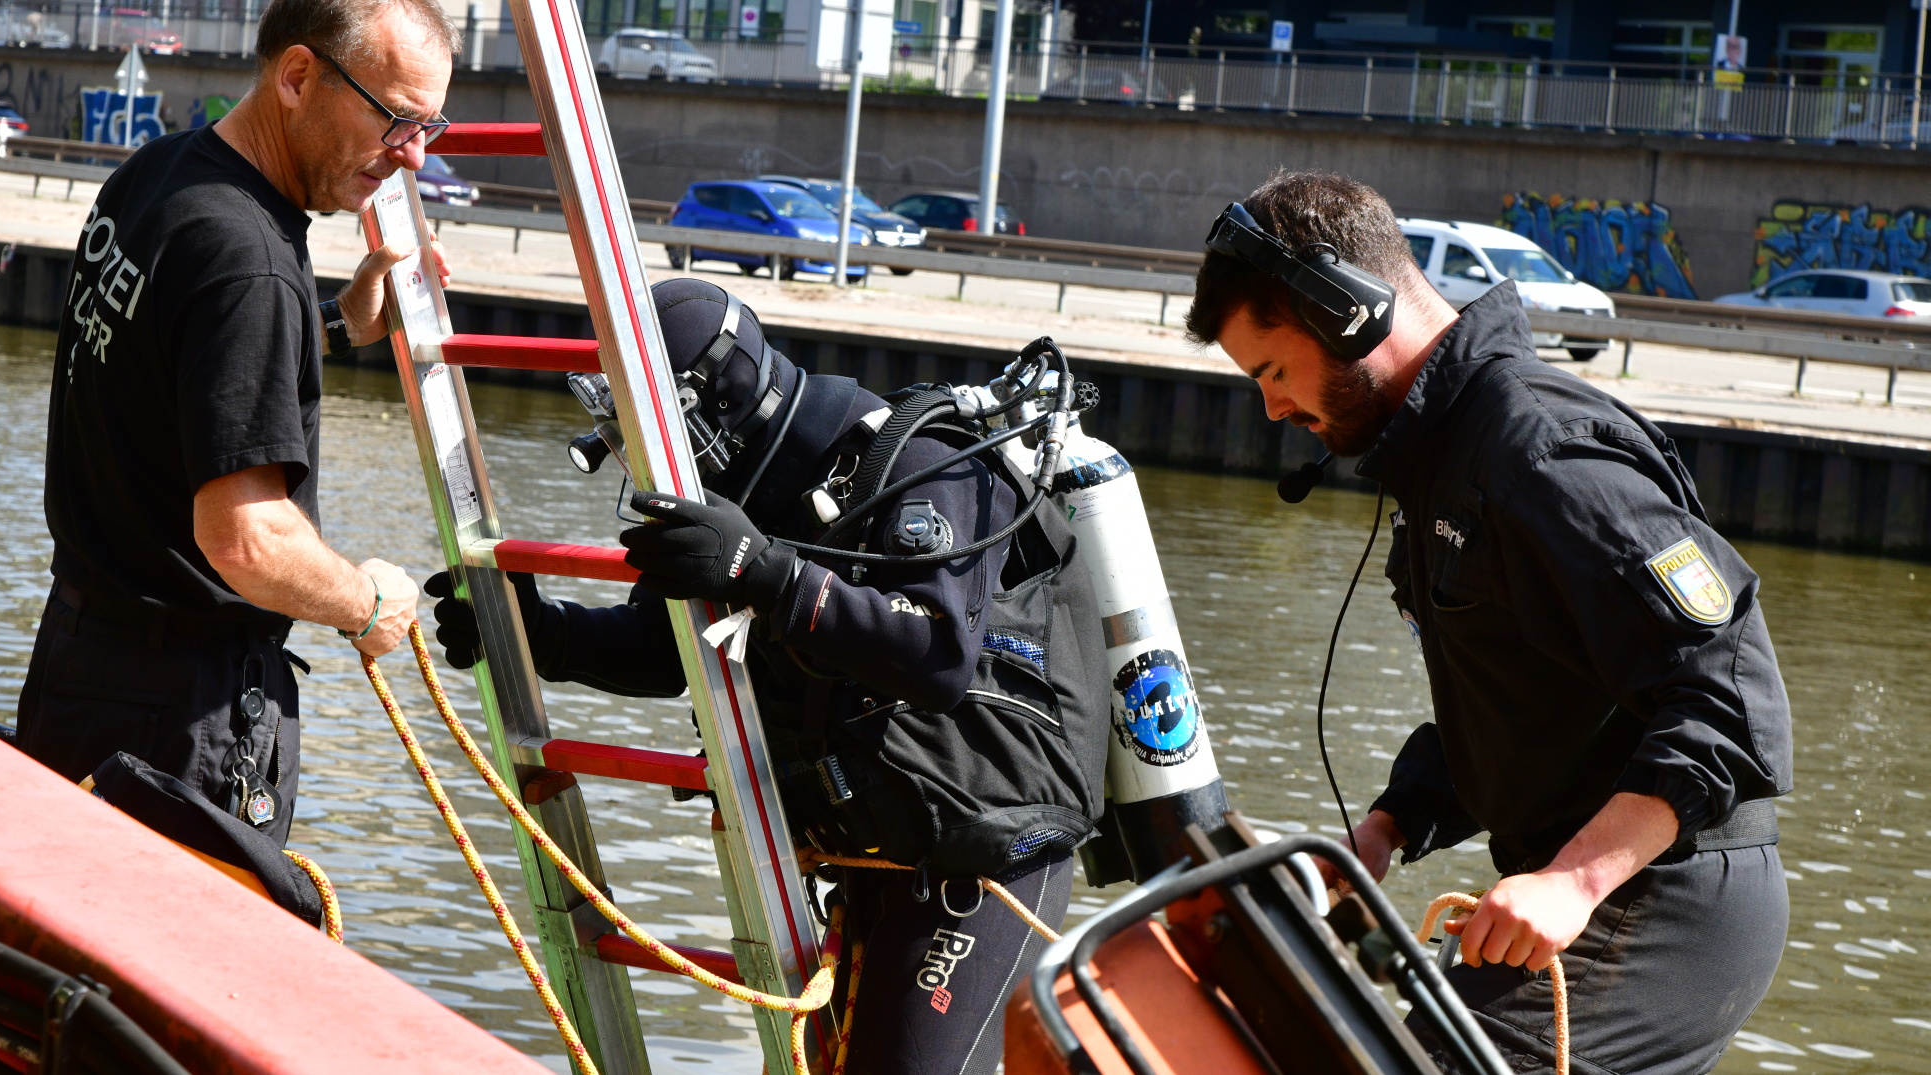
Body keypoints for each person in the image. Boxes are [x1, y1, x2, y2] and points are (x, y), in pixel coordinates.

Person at [1184, 172, 1791, 1075]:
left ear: (1345, 310)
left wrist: (1573, 881)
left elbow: (1734, 687)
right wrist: (1384, 831)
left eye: (1272, 371)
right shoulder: (1447, 462)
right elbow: (1513, 703)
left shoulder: (1536, 451)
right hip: (1599, 888)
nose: (1272, 408)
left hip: (1660, 896)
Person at [428, 278, 1108, 1075]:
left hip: (983, 859)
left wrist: (767, 571)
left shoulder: (923, 461)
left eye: (643, 434)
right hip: (866, 857)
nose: (632, 458)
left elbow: (936, 659)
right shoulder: (737, 494)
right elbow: (661, 650)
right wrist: (540, 633)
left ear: (713, 405)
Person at [18, 0, 463, 845]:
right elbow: (246, 540)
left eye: (428, 127)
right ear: (297, 76)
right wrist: (367, 603)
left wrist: (332, 322)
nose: (411, 157)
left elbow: (179, 374)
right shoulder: (250, 260)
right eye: (397, 121)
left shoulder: (157, 175)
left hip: (79, 665)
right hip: (177, 720)